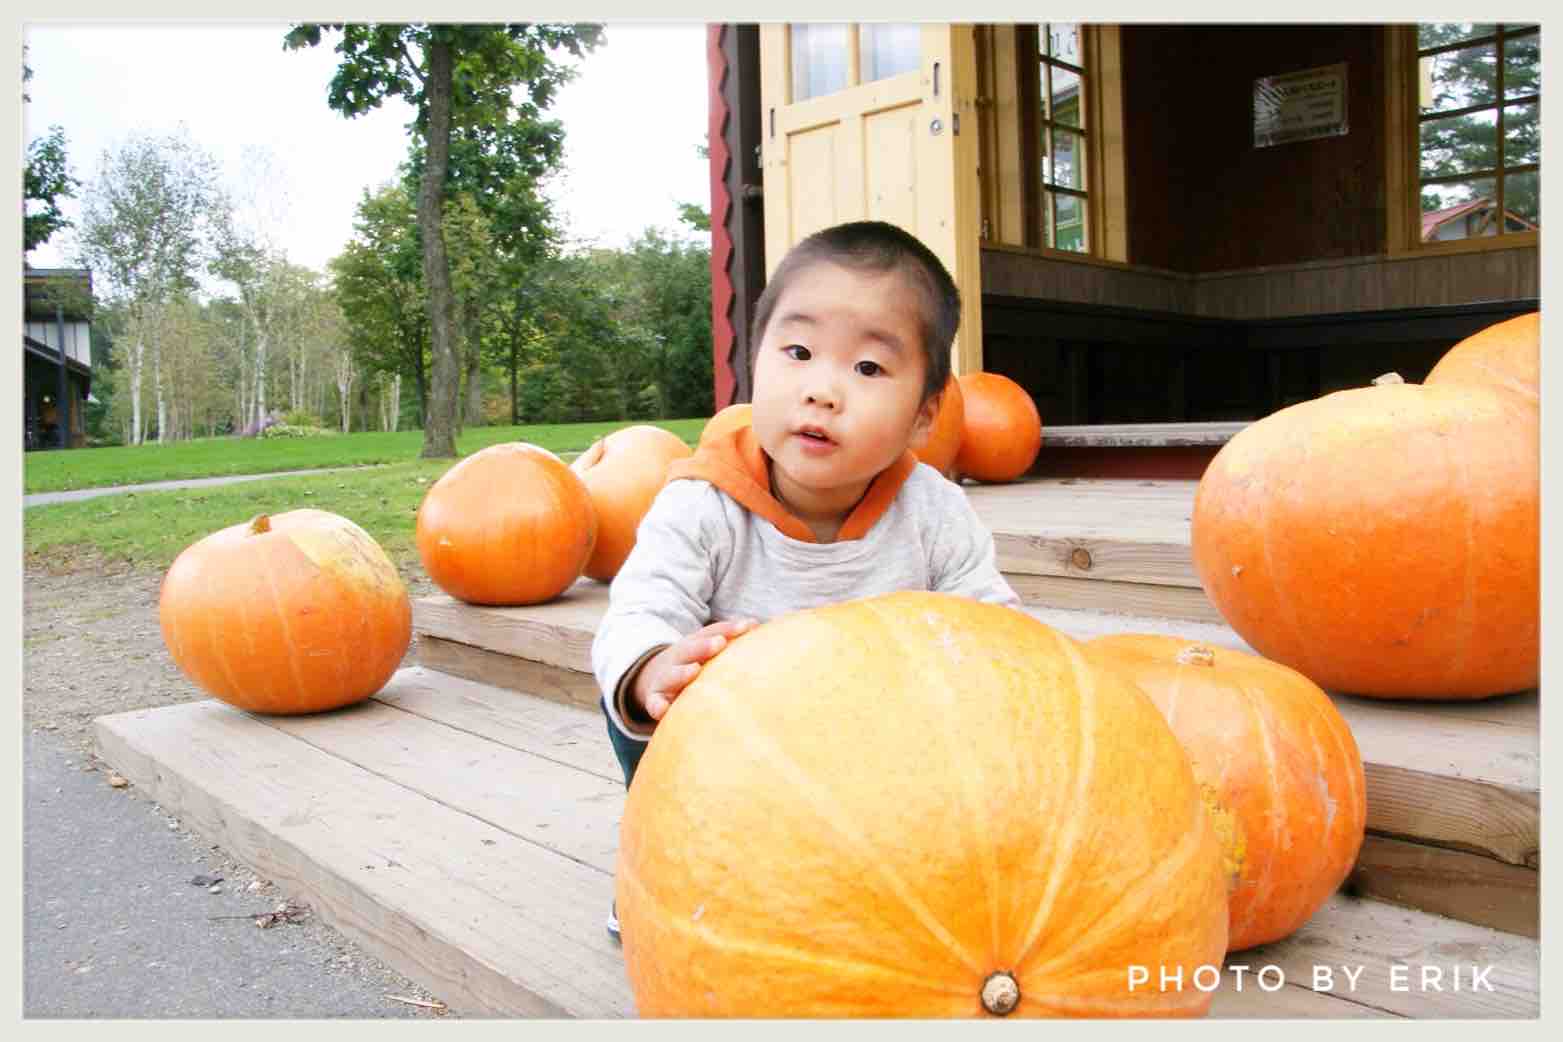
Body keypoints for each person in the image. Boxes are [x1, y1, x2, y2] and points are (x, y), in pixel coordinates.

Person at [590, 220, 1022, 939]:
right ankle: (662, 857)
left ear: (923, 414)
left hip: (880, 753)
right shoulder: (702, 504)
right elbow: (640, 608)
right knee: (641, 694)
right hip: (731, 753)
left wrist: (1014, 676)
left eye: (868, 369)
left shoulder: (934, 512)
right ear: (755, 364)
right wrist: (650, 667)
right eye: (797, 353)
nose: (822, 391)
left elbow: (993, 626)